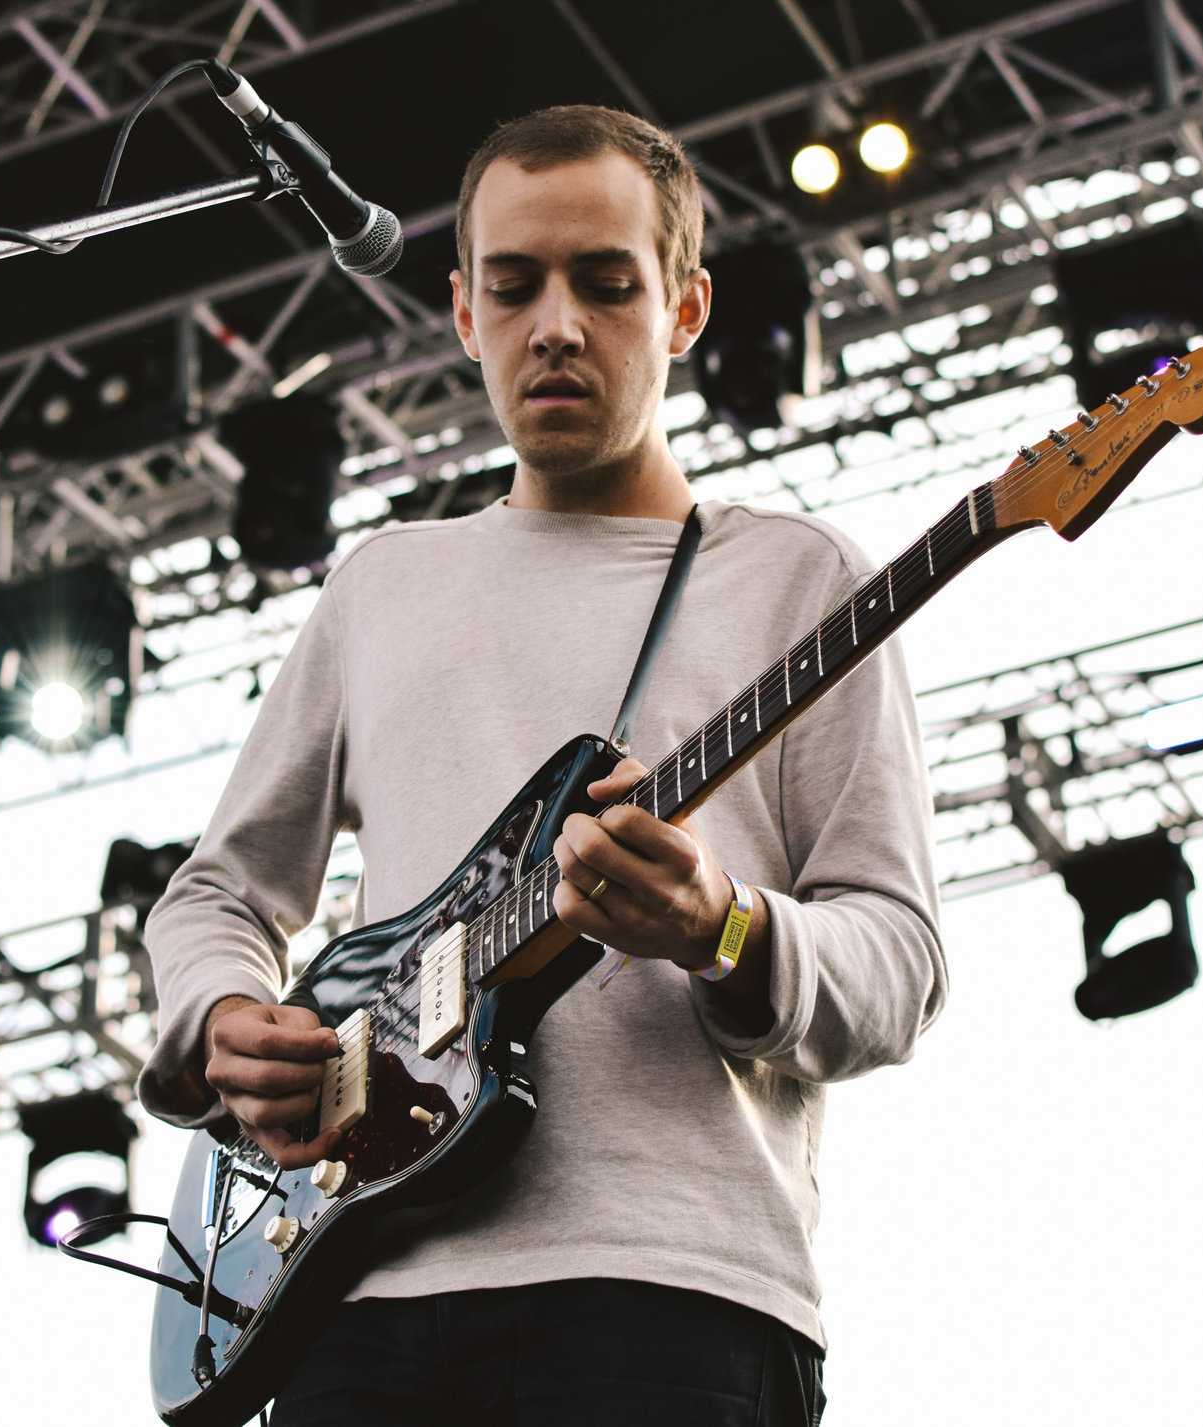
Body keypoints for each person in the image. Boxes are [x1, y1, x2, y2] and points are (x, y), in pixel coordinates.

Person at [139, 105, 946, 1425]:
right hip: (361, 1305)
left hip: (679, 1299)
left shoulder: (804, 585)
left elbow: (899, 968)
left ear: (685, 310)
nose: (554, 325)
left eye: (606, 283)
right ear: (462, 314)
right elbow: (215, 896)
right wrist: (226, 1021)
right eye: (513, 288)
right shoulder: (384, 585)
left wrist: (721, 924)